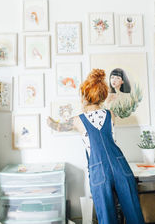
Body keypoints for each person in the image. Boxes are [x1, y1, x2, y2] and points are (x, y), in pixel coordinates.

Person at [47, 69, 145, 224]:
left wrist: (48, 119)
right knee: (134, 214)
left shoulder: (77, 120)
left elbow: (56, 126)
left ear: (85, 97)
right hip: (120, 166)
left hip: (99, 170)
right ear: (102, 96)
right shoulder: (110, 114)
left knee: (106, 217)